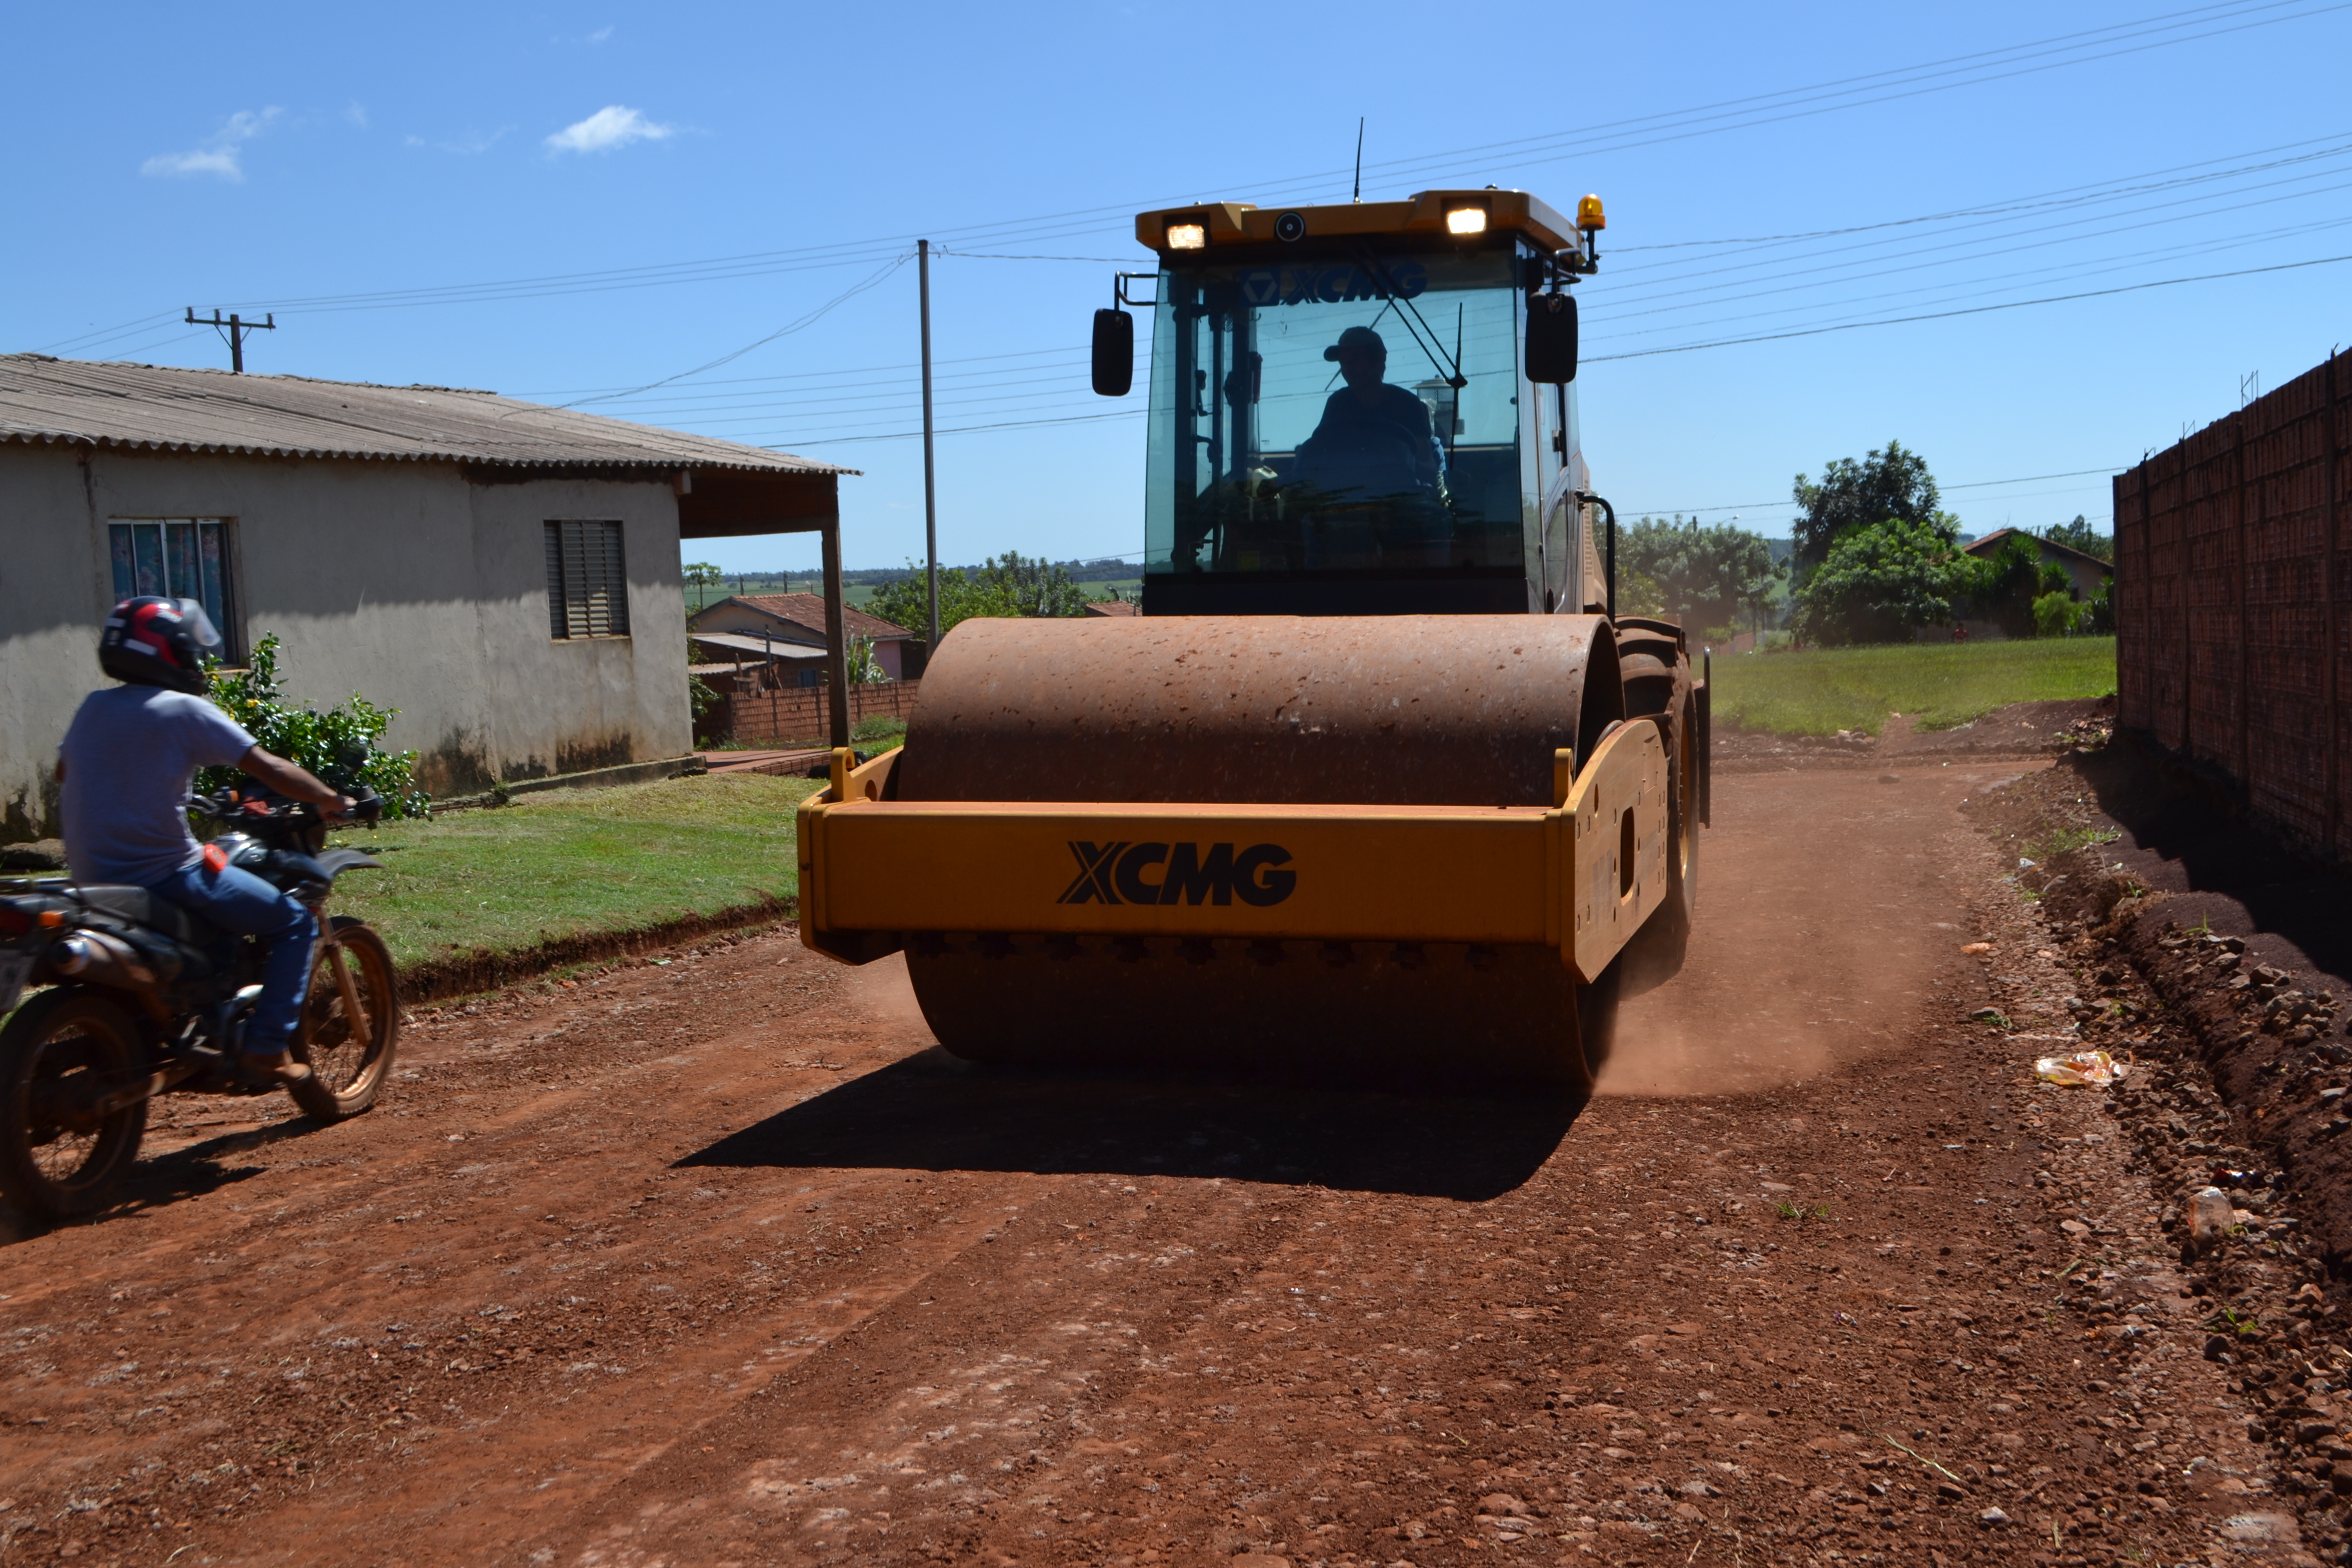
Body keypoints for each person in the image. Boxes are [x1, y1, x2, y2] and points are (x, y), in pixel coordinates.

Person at [56, 598, 354, 1089]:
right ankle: (266, 1049)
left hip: (92, 881)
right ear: (170, 650)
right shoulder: (184, 710)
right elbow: (268, 767)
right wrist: (327, 797)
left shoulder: (93, 707)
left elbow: (68, 773)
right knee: (295, 922)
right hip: (168, 873)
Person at [1292, 325, 1450, 508]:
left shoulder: (1408, 404)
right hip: (1344, 503)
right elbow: (1321, 453)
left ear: (1379, 361)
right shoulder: (1337, 403)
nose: (1347, 369)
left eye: (1355, 360)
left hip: (1399, 503)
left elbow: (1427, 466)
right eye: (1344, 363)